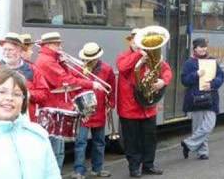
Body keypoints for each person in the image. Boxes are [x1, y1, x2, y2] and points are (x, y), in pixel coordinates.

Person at [34, 32, 106, 171]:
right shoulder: (47, 60)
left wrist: (62, 63)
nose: (60, 47)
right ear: (49, 45)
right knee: (56, 151)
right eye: (57, 44)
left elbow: (66, 76)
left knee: (59, 149)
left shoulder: (51, 59)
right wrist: (91, 84)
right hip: (53, 108)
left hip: (57, 106)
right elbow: (66, 80)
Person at [116, 28, 172, 178]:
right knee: (132, 141)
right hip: (130, 107)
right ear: (130, 41)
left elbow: (167, 71)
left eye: (139, 40)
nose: (137, 43)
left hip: (148, 106)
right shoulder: (124, 56)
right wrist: (137, 56)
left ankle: (148, 165)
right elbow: (122, 68)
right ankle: (134, 167)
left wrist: (163, 81)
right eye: (134, 40)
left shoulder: (153, 56)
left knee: (150, 138)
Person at [0, 32, 49, 122]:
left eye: (10, 50)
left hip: (25, 120)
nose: (6, 53)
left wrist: (28, 94)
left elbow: (44, 94)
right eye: (4, 50)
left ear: (20, 51)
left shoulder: (33, 70)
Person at [71, 42, 115, 179]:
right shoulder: (77, 68)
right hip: (83, 111)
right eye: (86, 58)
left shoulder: (107, 69)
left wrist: (111, 104)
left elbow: (111, 88)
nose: (88, 61)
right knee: (81, 142)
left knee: (99, 142)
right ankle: (79, 170)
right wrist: (75, 105)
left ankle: (98, 169)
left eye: (91, 58)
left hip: (100, 109)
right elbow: (73, 86)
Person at [181, 37, 224, 160]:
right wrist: (196, 75)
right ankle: (202, 152)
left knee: (209, 125)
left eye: (204, 47)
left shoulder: (212, 61)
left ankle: (188, 143)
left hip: (211, 97)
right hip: (196, 98)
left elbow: (221, 76)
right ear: (195, 49)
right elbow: (184, 81)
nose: (203, 49)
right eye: (200, 47)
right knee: (198, 126)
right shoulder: (189, 63)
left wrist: (212, 84)